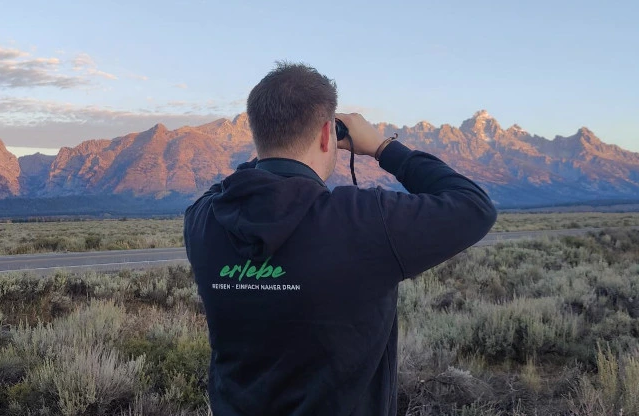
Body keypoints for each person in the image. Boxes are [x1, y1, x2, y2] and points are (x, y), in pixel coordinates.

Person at [183, 61, 497, 416]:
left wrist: (273, 144)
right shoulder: (364, 221)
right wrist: (382, 147)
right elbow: (474, 206)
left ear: (257, 134)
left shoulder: (203, 220)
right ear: (326, 134)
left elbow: (234, 184)